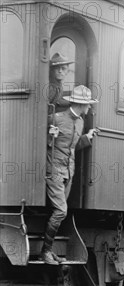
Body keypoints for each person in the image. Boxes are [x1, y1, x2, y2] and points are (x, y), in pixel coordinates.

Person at [41, 85, 99, 265]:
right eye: (88, 105)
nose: (90, 108)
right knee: (60, 211)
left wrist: (87, 138)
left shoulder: (80, 122)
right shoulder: (56, 119)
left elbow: (72, 147)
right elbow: (42, 142)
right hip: (54, 171)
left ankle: (50, 250)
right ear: (81, 104)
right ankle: (46, 251)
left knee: (59, 212)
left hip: (68, 172)